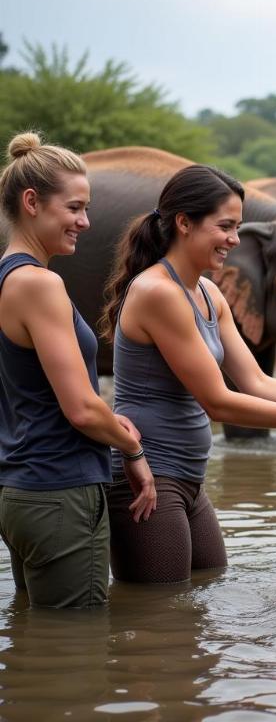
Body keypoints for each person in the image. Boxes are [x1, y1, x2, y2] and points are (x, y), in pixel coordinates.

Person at [100, 164, 276, 583]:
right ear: (184, 223)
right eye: (226, 226)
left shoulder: (208, 292)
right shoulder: (158, 293)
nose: (235, 239)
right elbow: (217, 402)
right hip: (149, 480)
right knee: (158, 622)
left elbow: (256, 381)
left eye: (238, 227)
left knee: (207, 593)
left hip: (189, 478)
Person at [0, 132, 156, 609]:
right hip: (61, 490)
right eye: (74, 208)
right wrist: (132, 449)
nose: (84, 222)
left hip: (20, 490)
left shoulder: (6, 276)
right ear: (32, 202)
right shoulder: (39, 285)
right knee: (79, 651)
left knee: (38, 644)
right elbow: (82, 410)